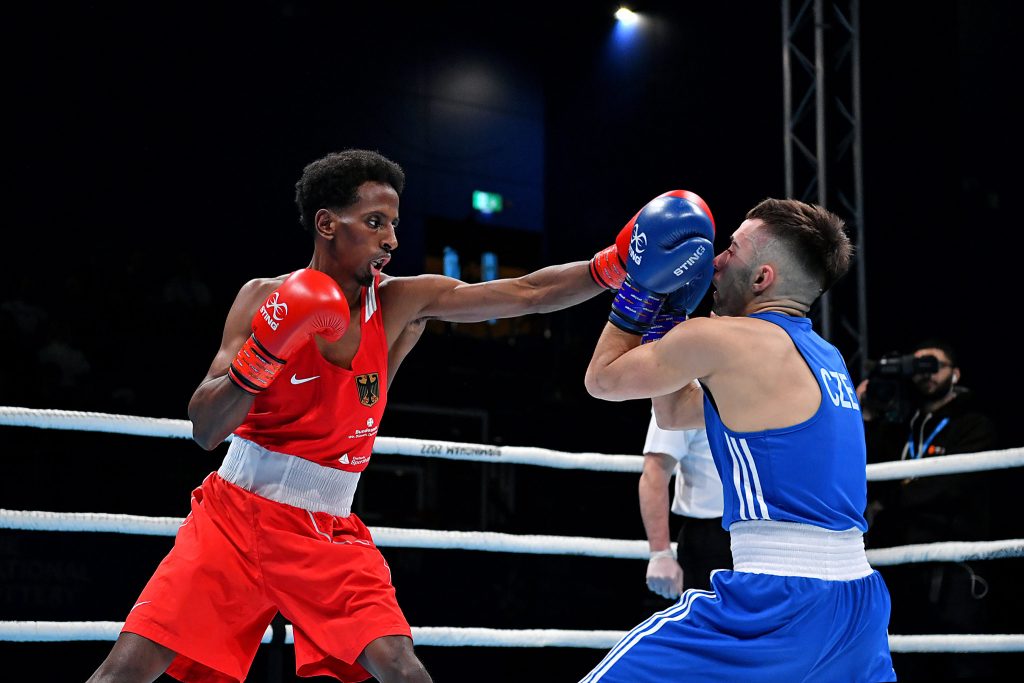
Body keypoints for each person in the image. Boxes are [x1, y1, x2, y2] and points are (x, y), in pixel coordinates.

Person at [85, 149, 632, 683]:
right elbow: (205, 429)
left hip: (327, 528)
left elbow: (527, 293)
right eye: (374, 222)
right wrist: (267, 351)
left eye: (393, 224)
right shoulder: (261, 298)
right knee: (128, 669)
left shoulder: (399, 303)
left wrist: (612, 266)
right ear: (327, 223)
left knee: (400, 667)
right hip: (233, 519)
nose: (390, 239)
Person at [582, 196, 895, 682]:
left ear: (762, 278)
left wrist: (642, 290)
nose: (715, 258)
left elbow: (601, 380)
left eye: (731, 247)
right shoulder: (826, 356)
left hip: (773, 600)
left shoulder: (723, 337)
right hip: (858, 606)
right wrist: (669, 320)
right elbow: (673, 412)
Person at [858, 339, 998, 681]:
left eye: (934, 366)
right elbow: (865, 470)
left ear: (956, 373)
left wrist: (887, 501)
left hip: (954, 563)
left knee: (962, 659)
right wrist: (865, 414)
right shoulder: (901, 424)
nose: (925, 374)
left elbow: (948, 485)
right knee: (905, 655)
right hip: (902, 560)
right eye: (917, 366)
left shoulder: (974, 424)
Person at [639, 413, 731, 599]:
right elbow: (655, 469)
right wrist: (660, 553)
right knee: (710, 624)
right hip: (711, 538)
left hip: (770, 530)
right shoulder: (688, 387)